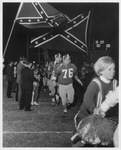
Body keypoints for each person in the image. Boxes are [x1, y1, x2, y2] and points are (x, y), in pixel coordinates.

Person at [74, 56, 117, 127]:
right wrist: (94, 109)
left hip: (105, 119)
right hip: (87, 116)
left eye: (114, 69)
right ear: (101, 71)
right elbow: (87, 99)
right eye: (109, 69)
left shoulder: (115, 84)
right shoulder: (95, 83)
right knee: (92, 136)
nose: (113, 71)